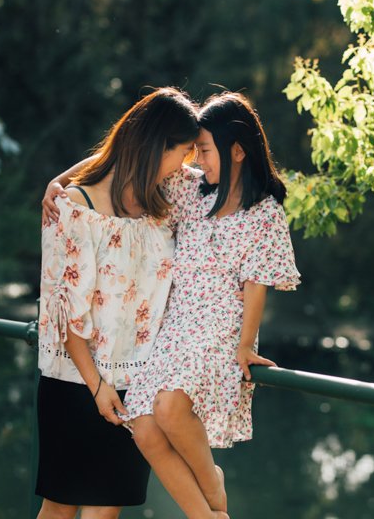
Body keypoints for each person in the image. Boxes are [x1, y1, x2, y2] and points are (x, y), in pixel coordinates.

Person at [35, 87, 227, 519]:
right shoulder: (73, 208)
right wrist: (98, 388)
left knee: (105, 511)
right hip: (74, 381)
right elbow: (63, 310)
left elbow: (231, 184)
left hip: (138, 384)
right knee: (60, 508)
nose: (183, 167)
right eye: (179, 155)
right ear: (154, 146)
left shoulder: (165, 200)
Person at [124, 91, 301, 517]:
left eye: (204, 150)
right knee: (144, 426)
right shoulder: (193, 194)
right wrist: (62, 182)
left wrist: (245, 345)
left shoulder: (264, 212)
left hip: (220, 329)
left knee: (168, 406)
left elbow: (257, 284)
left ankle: (212, 487)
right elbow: (129, 160)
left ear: (237, 150)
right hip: (177, 325)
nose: (197, 160)